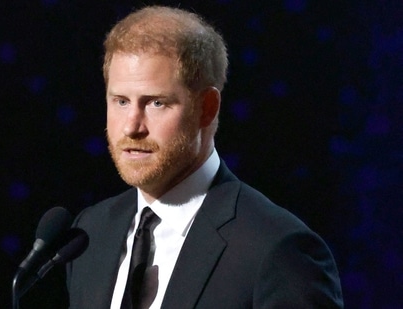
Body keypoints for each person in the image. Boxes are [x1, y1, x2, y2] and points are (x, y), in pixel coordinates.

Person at [66, 5, 343, 308]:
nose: (131, 127)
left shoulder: (277, 251)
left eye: (156, 103)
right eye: (120, 101)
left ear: (207, 108)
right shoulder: (90, 232)